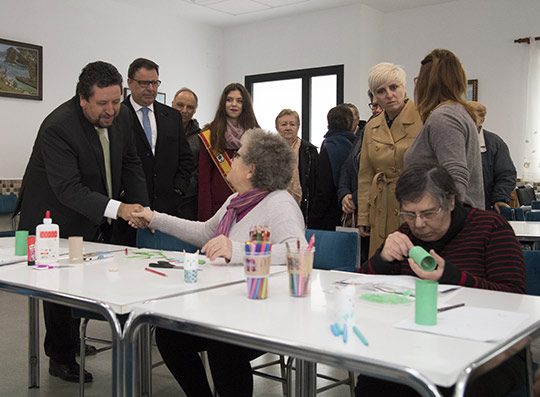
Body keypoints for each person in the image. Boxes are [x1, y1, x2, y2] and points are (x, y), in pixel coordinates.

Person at [130, 128, 307, 397]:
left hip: (264, 315)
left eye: (237, 156)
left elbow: (298, 252)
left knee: (224, 342)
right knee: (169, 336)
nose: (231, 160)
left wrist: (235, 250)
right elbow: (204, 233)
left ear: (251, 169)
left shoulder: (279, 202)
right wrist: (154, 217)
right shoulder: (236, 201)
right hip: (228, 306)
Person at [15, 61, 149, 383]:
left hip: (94, 207)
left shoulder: (123, 115)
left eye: (116, 101)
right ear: (82, 99)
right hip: (53, 215)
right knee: (60, 288)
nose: (111, 110)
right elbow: (68, 189)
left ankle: (73, 340)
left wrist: (142, 206)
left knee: (84, 281)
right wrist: (119, 209)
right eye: (103, 103)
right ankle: (60, 357)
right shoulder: (58, 127)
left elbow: (131, 161)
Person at [356, 163, 526, 396]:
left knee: (446, 387)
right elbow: (358, 289)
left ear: (451, 202)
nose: (418, 224)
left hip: (489, 350)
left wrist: (451, 277)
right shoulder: (406, 236)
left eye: (427, 213)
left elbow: (515, 298)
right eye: (409, 214)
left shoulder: (491, 229)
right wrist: (382, 258)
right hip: (415, 345)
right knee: (372, 383)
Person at [404, 49, 484, 209]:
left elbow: (456, 176)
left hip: (448, 226)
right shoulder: (456, 112)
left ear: (426, 83)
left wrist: (442, 223)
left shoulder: (444, 117)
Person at [357, 62, 423, 256]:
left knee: (412, 263)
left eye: (394, 87)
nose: (389, 94)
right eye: (381, 91)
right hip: (380, 208)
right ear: (375, 96)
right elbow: (365, 174)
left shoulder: (423, 118)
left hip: (413, 205)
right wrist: (363, 217)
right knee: (381, 265)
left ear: (404, 88)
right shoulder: (372, 126)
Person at [123, 58, 193, 220]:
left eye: (155, 83)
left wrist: (179, 189)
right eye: (144, 83)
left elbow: (186, 158)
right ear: (130, 82)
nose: (150, 89)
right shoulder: (118, 115)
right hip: (130, 208)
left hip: (167, 208)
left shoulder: (172, 116)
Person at [198, 83, 259, 221]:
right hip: (217, 208)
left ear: (245, 105)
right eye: (229, 99)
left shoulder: (256, 134)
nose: (234, 104)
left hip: (248, 205)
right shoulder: (210, 135)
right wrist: (204, 217)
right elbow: (204, 181)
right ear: (223, 103)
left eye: (239, 101)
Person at [308, 105, 356, 230]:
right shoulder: (358, 146)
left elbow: (324, 190)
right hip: (353, 211)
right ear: (352, 125)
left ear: (328, 125)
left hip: (329, 216)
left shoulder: (329, 147)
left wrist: (313, 218)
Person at [467, 101, 516, 213]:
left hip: (486, 207)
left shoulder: (494, 143)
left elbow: (506, 174)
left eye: (471, 118)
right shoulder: (453, 141)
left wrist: (500, 198)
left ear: (481, 120)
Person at [275, 108, 319, 225]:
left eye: (292, 124)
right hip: (275, 206)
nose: (288, 128)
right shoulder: (269, 151)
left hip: (303, 208)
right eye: (283, 124)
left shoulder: (309, 151)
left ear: (298, 127)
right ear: (277, 127)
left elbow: (315, 184)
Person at [172, 87, 201, 220]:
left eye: (190, 107)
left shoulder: (201, 137)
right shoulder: (159, 131)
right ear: (172, 104)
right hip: (163, 196)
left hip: (189, 200)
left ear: (195, 110)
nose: (184, 110)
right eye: (180, 105)